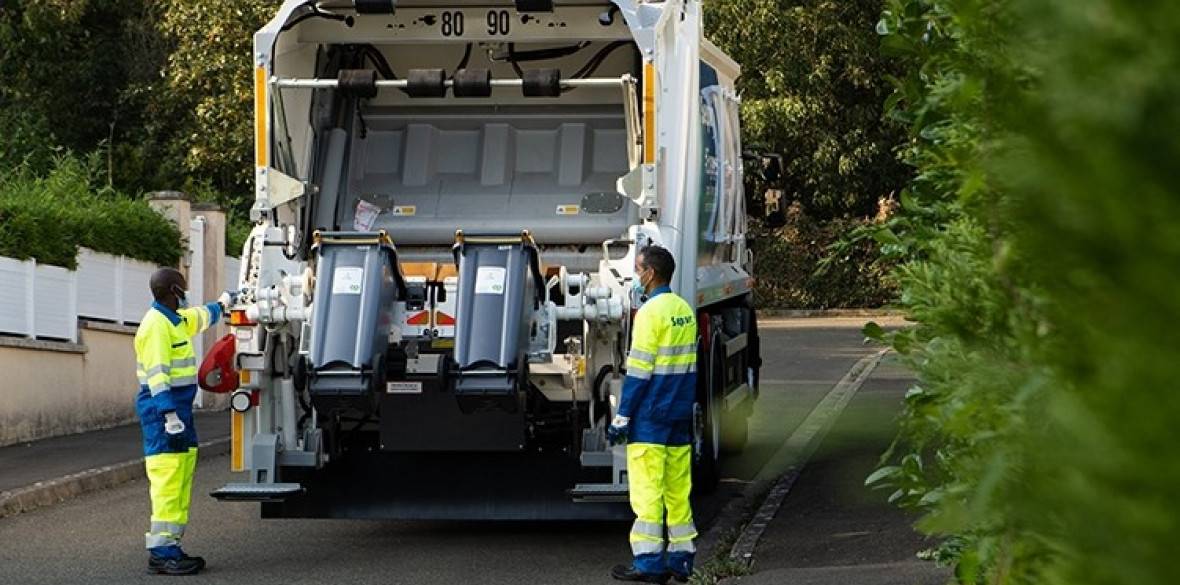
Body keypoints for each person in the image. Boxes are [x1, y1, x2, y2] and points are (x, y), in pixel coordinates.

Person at [134, 267, 234, 575]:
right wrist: (169, 416)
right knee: (167, 480)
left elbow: (198, 317)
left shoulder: (174, 319)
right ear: (174, 291)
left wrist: (223, 305)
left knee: (181, 475)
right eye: (184, 288)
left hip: (179, 412)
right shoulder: (155, 326)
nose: (187, 293)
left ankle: (171, 546)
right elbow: (157, 377)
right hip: (163, 413)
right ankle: (162, 552)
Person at [608, 245, 699, 584]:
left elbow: (639, 370)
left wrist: (623, 415)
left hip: (650, 415)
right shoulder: (683, 310)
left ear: (650, 273)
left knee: (648, 493)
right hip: (679, 413)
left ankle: (648, 564)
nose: (635, 275)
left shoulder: (649, 313)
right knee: (678, 492)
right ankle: (682, 560)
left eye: (637, 268)